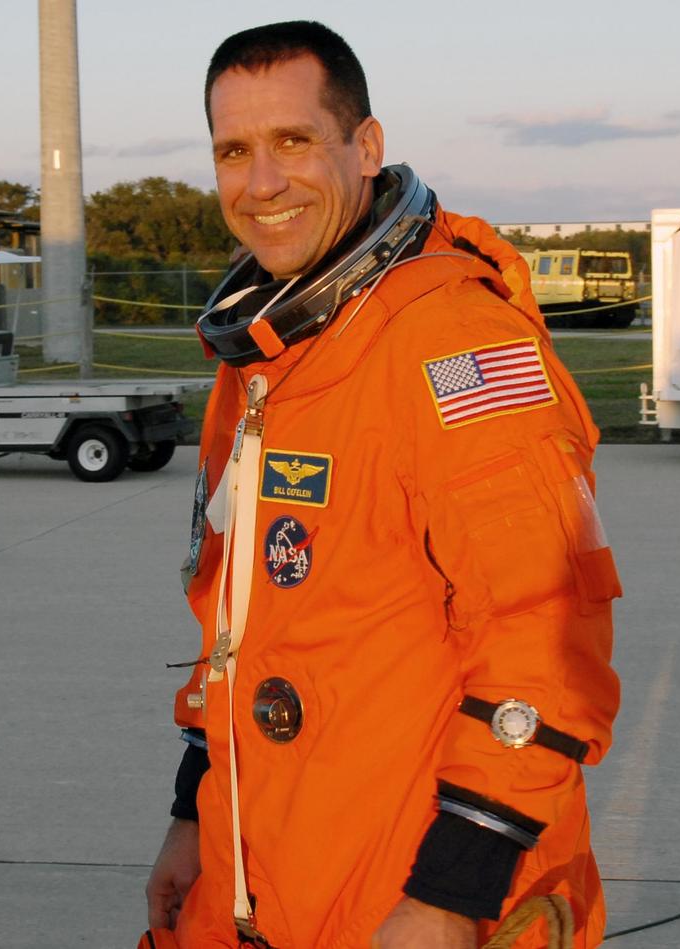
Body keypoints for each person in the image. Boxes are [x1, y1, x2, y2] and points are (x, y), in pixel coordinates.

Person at [143, 20, 620, 949]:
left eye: (293, 141)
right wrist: (193, 819)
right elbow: (243, 625)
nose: (263, 183)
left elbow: (545, 641)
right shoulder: (270, 356)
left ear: (366, 147)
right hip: (268, 877)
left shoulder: (453, 341)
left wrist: (450, 894)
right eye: (234, 151)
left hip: (409, 898)